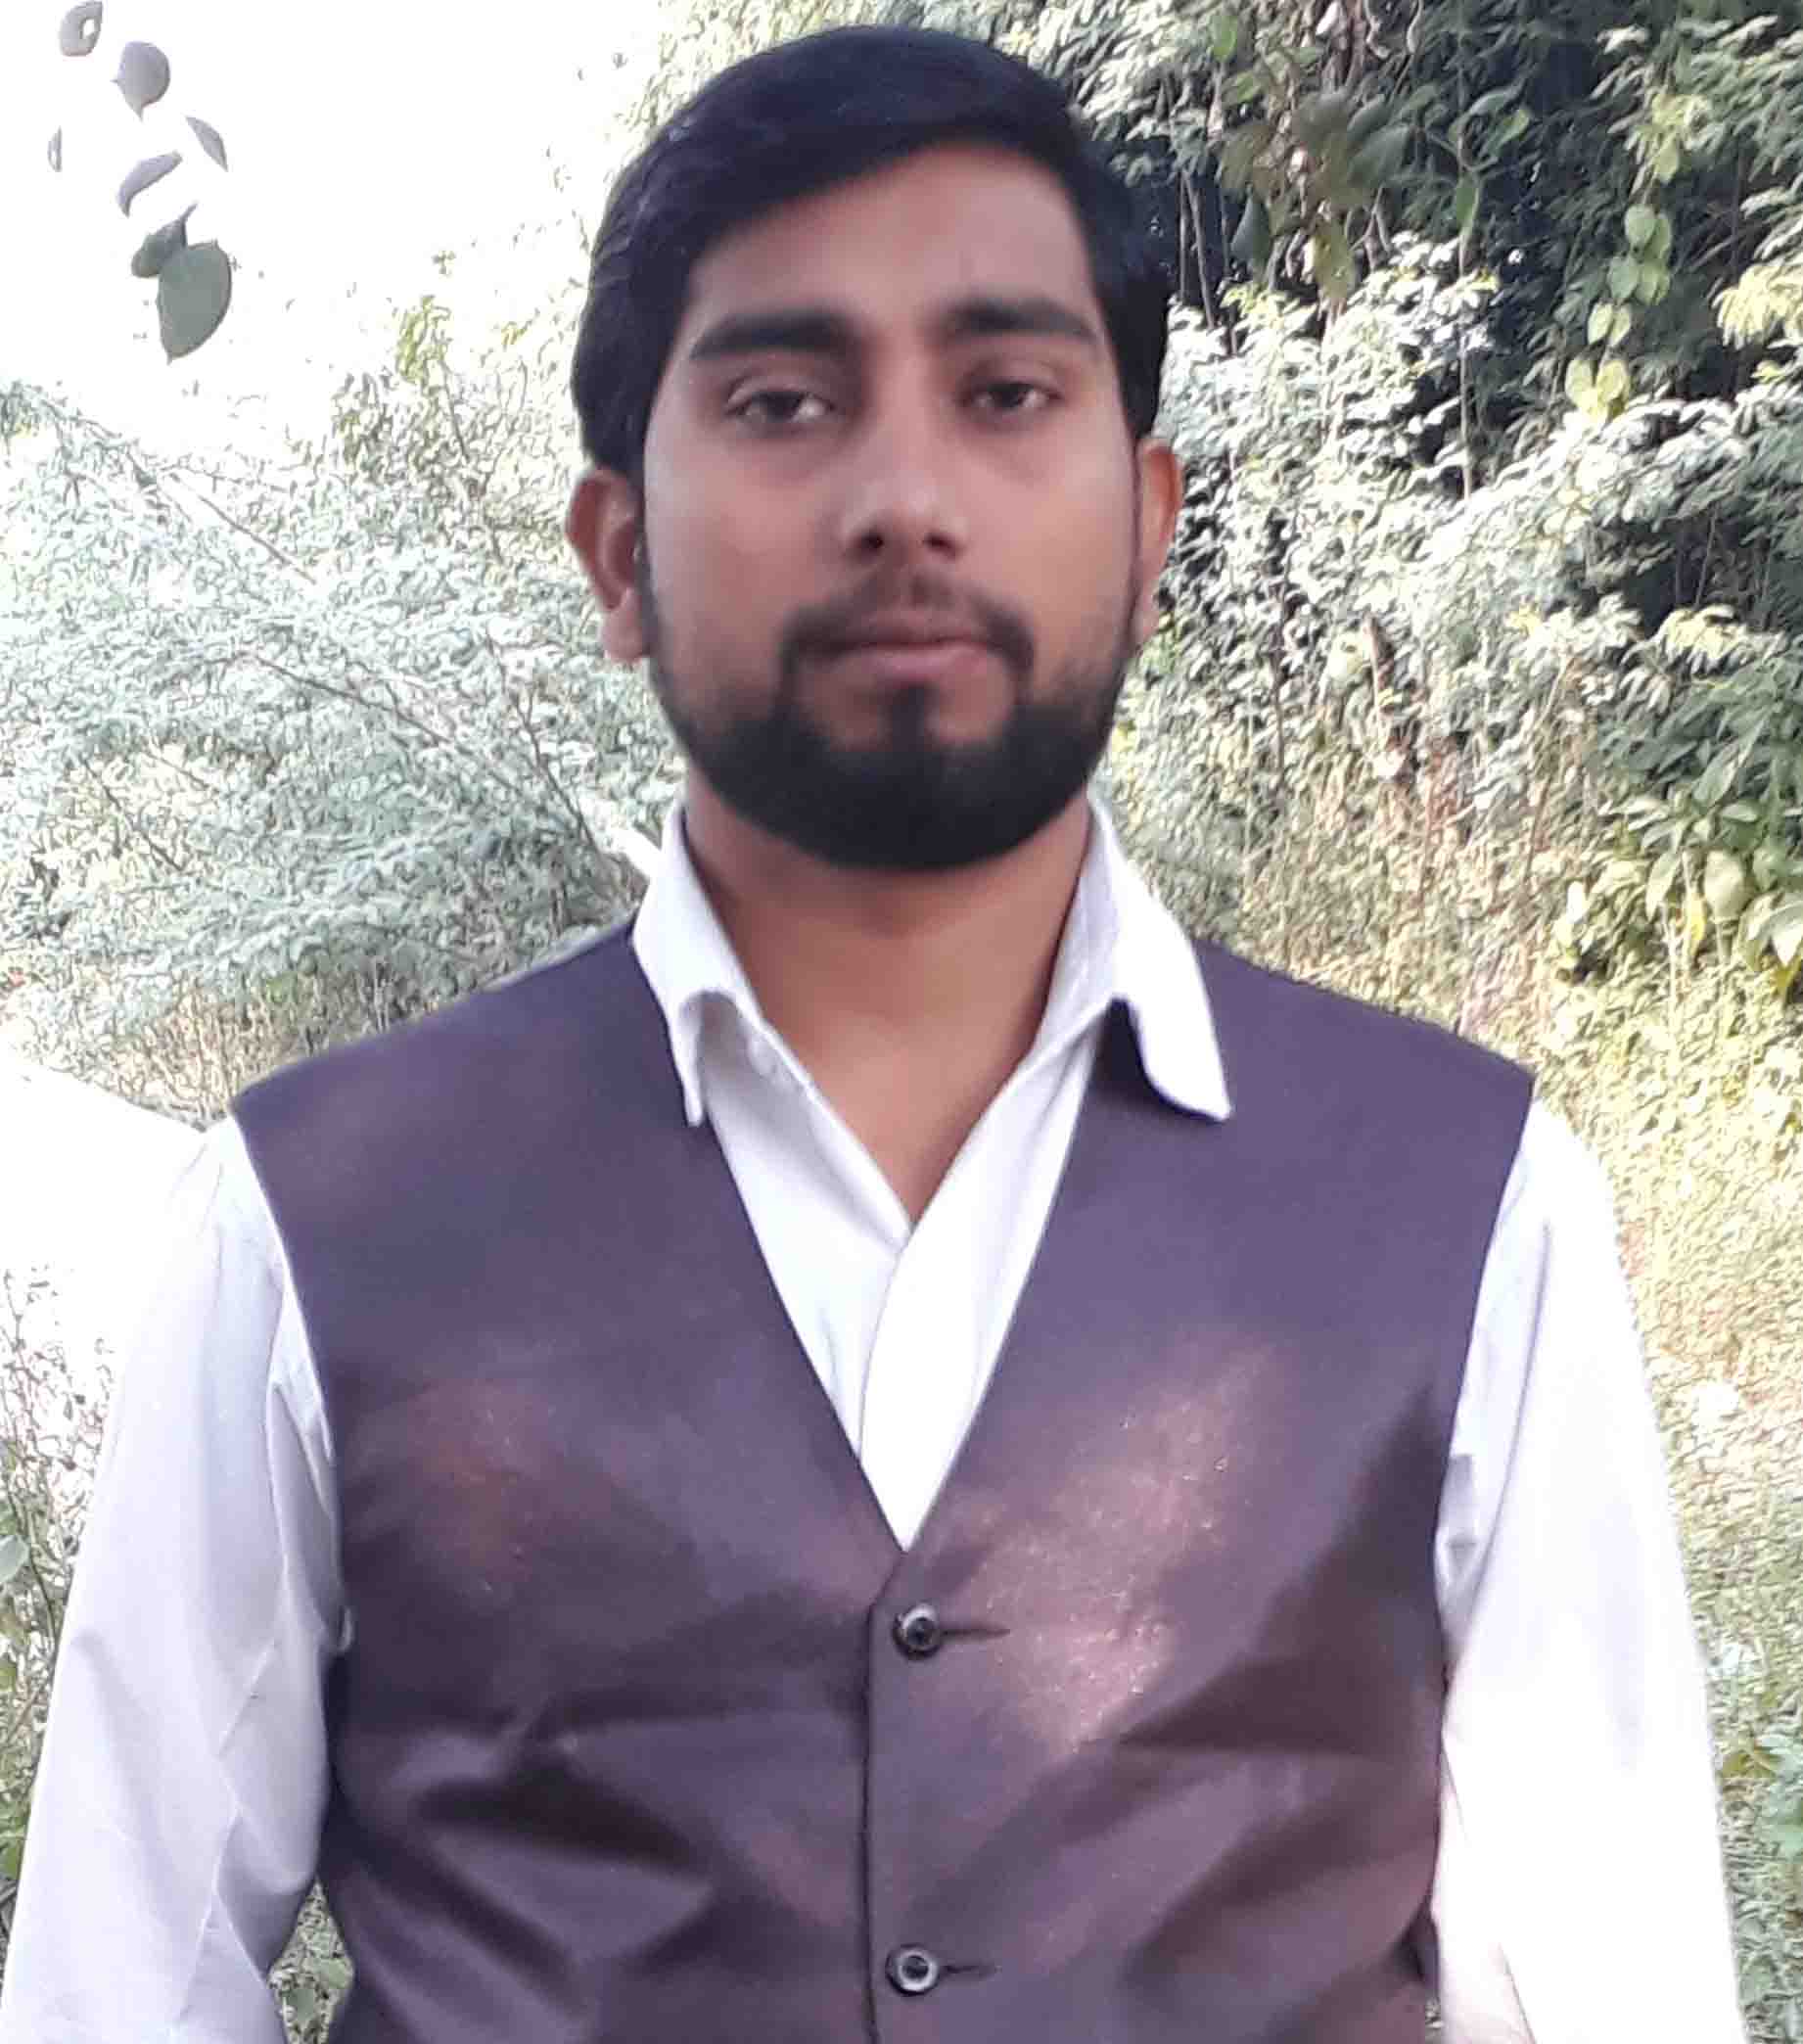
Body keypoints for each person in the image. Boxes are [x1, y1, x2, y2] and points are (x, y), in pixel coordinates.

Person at [0, 25, 1745, 2044]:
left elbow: (1612, 1989)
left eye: (1006, 393)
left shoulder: (1467, 1204)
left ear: (1152, 527)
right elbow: (119, 1988)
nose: (906, 498)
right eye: (782, 401)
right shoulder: (311, 1222)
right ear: (617, 553)